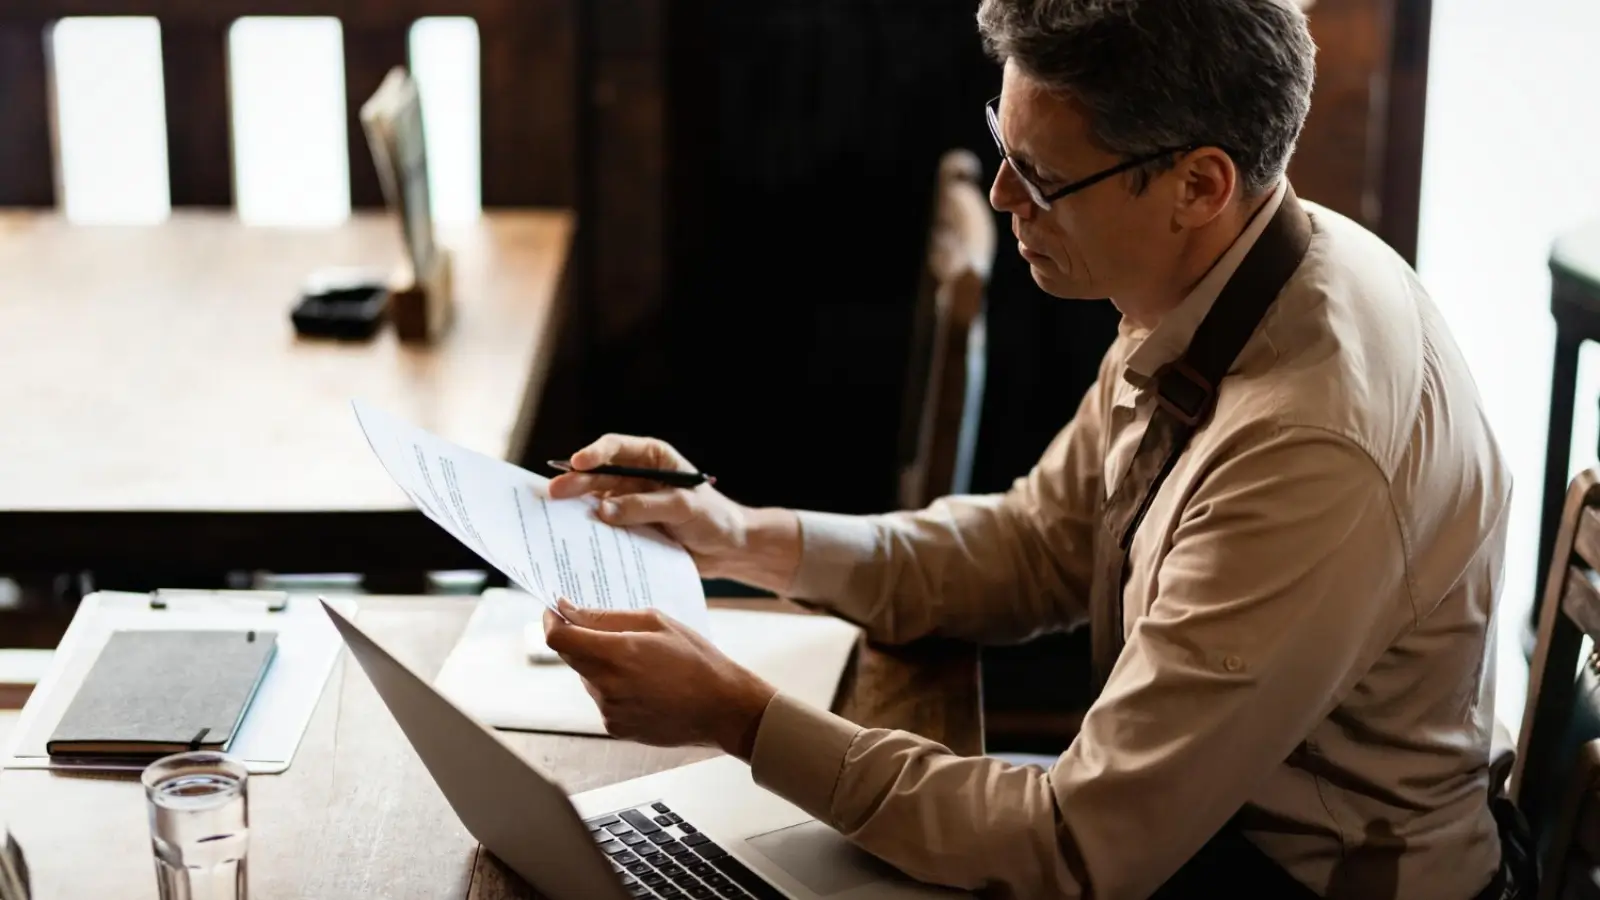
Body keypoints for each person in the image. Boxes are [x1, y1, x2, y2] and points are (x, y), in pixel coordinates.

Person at [541, 0, 1527, 897]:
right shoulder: (1225, 278)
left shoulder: (1305, 443)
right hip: (1189, 834)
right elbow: (1036, 543)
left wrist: (737, 716)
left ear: (1197, 183)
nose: (1009, 196)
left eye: (1047, 178)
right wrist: (738, 537)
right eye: (1001, 148)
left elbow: (1074, 848)